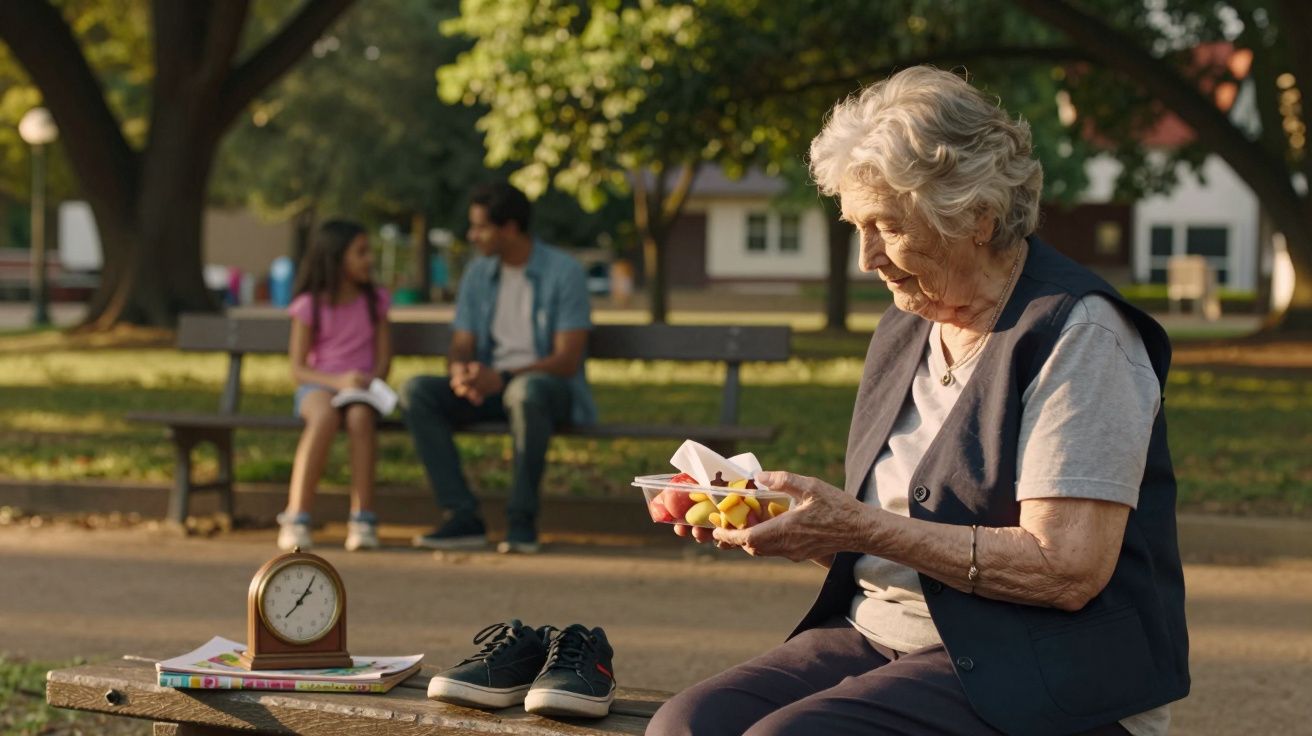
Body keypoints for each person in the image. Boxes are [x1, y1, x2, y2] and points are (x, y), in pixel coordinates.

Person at [649, 66, 1188, 736]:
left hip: (1044, 668)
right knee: (687, 726)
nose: (866, 258)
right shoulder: (907, 324)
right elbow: (891, 535)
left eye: (887, 226)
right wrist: (792, 521)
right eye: (855, 226)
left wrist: (855, 527)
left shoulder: (1081, 334)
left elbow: (1066, 568)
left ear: (975, 215)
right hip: (882, 636)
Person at [404, 182, 595, 555]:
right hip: (492, 388)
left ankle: (521, 522)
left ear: (509, 228)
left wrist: (503, 378)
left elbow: (566, 359)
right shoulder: (478, 274)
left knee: (525, 393)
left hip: (548, 391)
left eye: (480, 227)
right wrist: (462, 372)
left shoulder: (564, 272)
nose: (472, 236)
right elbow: (462, 341)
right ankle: (462, 517)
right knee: (417, 391)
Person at [279, 220, 392, 552]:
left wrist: (368, 381)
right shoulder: (309, 305)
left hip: (361, 390)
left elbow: (384, 361)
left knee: (360, 418)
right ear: (335, 257)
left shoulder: (376, 302)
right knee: (324, 416)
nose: (369, 259)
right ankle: (297, 515)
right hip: (318, 387)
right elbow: (298, 369)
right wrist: (337, 382)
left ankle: (363, 517)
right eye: (361, 252)